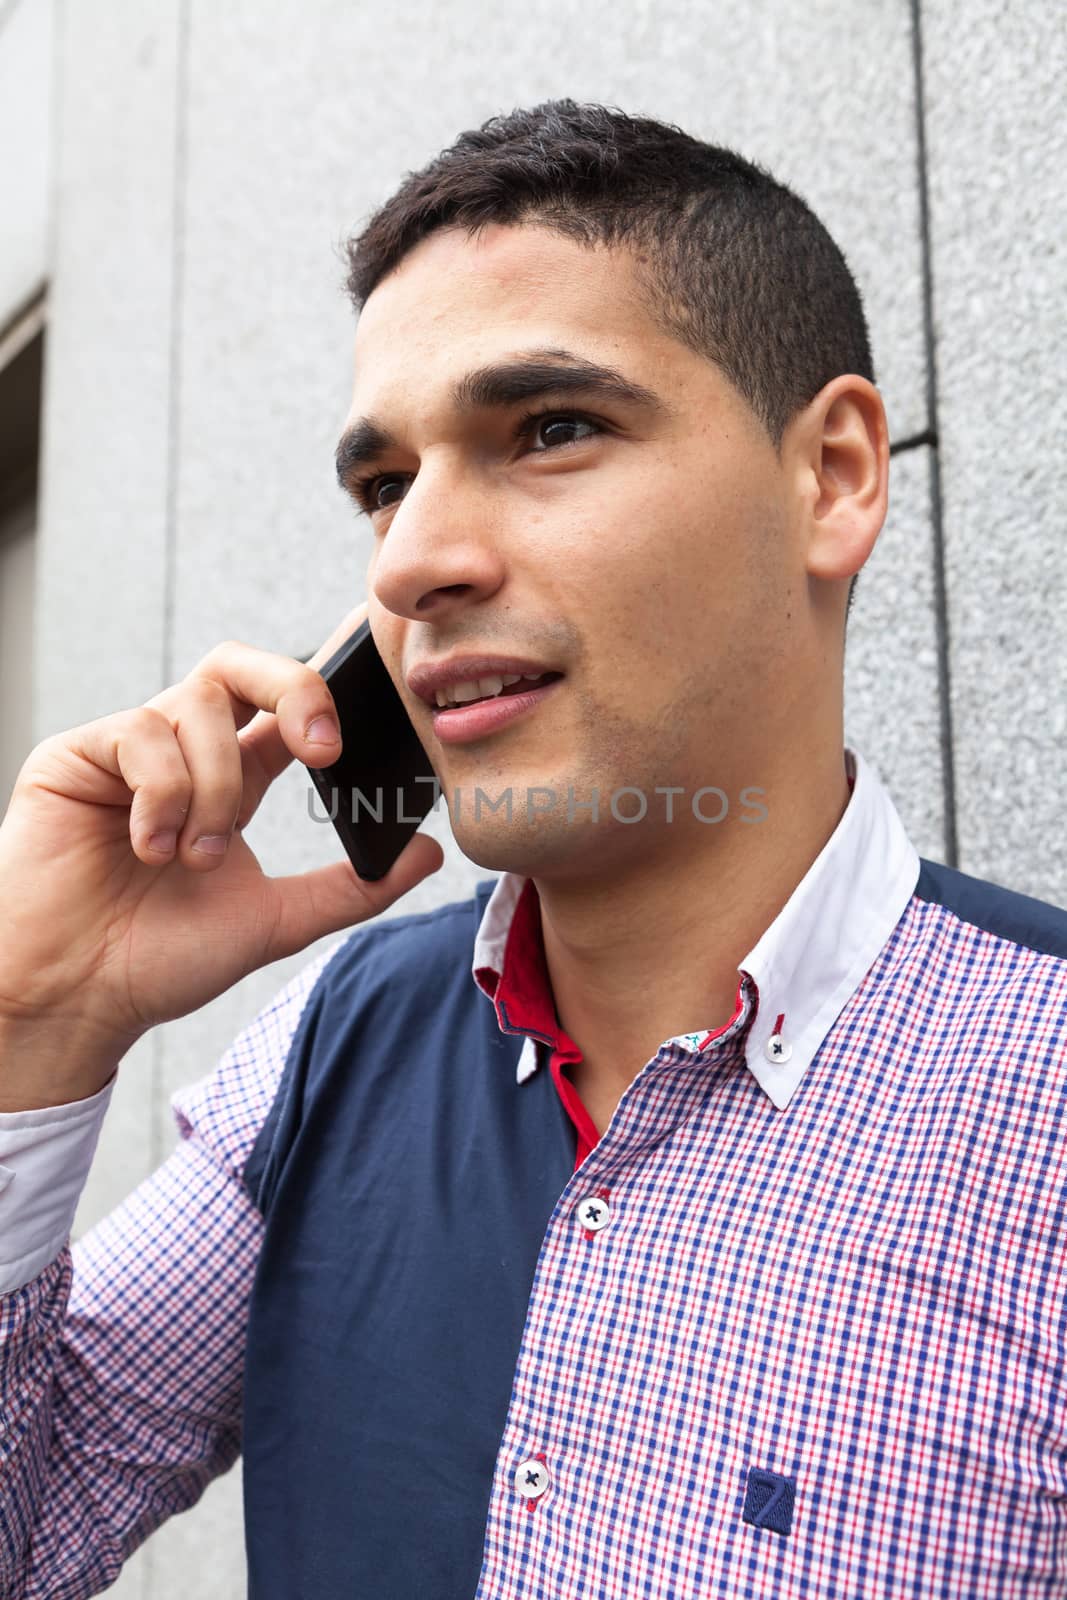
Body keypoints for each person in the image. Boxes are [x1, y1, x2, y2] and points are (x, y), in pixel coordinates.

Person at [0, 97, 1064, 1600]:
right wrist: (33, 1026)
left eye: (551, 429)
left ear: (830, 476)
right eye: (385, 484)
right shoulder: (338, 1042)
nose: (412, 562)